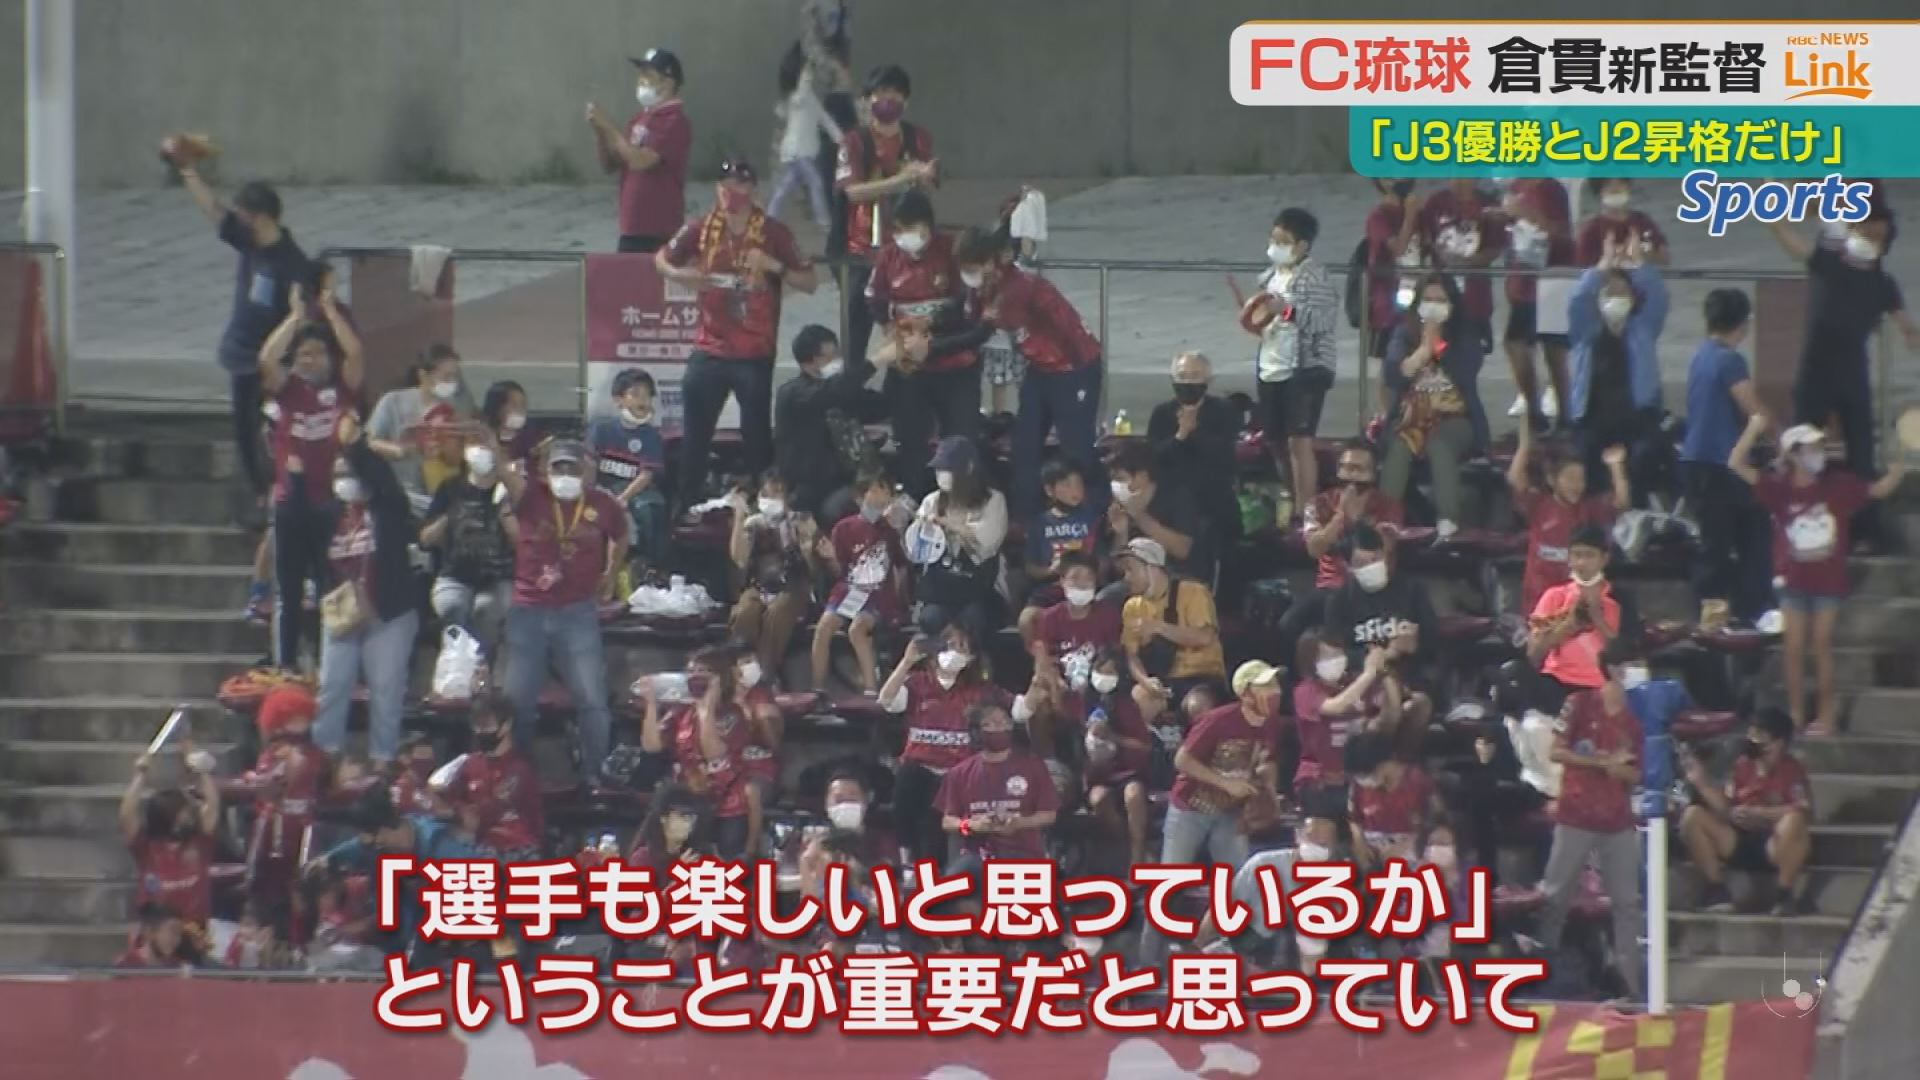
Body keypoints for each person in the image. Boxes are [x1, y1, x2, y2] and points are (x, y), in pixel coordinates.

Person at [658, 157, 818, 511]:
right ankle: (687, 504)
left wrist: (773, 265)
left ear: (753, 190)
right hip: (710, 347)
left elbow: (810, 281)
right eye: (726, 185)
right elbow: (662, 258)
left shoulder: (774, 233)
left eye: (741, 185)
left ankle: (765, 504)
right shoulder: (700, 228)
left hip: (753, 352)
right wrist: (681, 275)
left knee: (756, 435)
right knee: (695, 432)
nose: (733, 193)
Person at [1732, 418, 1905, 733]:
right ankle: (1796, 715)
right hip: (1792, 581)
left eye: (1820, 447)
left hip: (1828, 582)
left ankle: (1825, 717)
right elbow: (1736, 463)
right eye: (1811, 448)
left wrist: (1898, 465)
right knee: (1793, 648)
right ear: (1794, 454)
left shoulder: (1838, 485)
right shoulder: (1779, 488)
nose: (1818, 453)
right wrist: (1754, 428)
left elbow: (1879, 490)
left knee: (1822, 645)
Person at [1767, 201, 1919, 546]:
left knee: (1861, 456)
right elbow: (1796, 245)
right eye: (1864, 228)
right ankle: (1793, 523)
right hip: (1816, 372)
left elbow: (1907, 326)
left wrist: (1913, 336)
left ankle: (1865, 530)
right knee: (1802, 449)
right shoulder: (1830, 262)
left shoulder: (1883, 283)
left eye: (1876, 234)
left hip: (1851, 374)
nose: (1868, 236)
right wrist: (1775, 223)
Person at [168, 160, 310, 496]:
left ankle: (274, 489)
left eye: (245, 214)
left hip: (269, 360)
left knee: (269, 430)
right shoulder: (249, 242)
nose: (239, 220)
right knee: (243, 431)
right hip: (240, 354)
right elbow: (215, 212)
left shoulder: (292, 263)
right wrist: (188, 172)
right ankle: (257, 492)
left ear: (263, 218)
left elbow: (300, 316)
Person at [496, 437, 629, 787]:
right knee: (517, 704)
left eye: (573, 467)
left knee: (593, 701)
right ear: (547, 471)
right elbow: (503, 473)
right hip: (528, 611)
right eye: (559, 468)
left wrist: (611, 572)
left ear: (585, 471)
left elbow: (621, 534)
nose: (566, 474)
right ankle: (517, 777)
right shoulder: (531, 497)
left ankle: (595, 776)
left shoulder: (603, 503)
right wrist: (492, 444)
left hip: (577, 612)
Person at [954, 225, 1104, 518]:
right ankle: (1027, 521)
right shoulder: (983, 289)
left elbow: (982, 330)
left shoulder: (1021, 288)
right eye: (965, 268)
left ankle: (1090, 520)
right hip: (1040, 369)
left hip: (1074, 368)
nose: (968, 275)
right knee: (1024, 444)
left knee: (1077, 450)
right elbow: (971, 319)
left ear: (991, 262)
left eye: (973, 267)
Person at [256, 294, 366, 671]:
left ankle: (327, 665)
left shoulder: (342, 389)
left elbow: (356, 354)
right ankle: (286, 666)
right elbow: (266, 359)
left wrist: (331, 312)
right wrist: (295, 317)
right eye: (304, 354)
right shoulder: (287, 390)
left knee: (328, 587)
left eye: (318, 353)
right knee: (287, 592)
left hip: (329, 503)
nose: (310, 360)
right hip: (290, 502)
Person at [311, 413, 422, 767]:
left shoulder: (388, 506)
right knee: (332, 686)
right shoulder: (325, 514)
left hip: (389, 611)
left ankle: (382, 762)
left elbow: (381, 476)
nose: (346, 480)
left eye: (351, 473)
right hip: (341, 612)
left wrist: (356, 445)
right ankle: (324, 763)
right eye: (339, 474)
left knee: (386, 692)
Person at [1536, 648, 1645, 1000]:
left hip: (1618, 821)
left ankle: (1630, 988)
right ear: (1613, 668)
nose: (1638, 672)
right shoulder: (1580, 704)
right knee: (1555, 897)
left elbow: (1638, 774)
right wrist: (1601, 763)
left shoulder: (1636, 717)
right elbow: (1556, 751)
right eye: (1633, 664)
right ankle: (1541, 976)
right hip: (1576, 816)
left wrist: (1620, 770)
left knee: (1627, 905)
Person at [866, 191, 990, 493]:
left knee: (960, 440)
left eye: (911, 228)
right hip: (910, 368)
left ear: (928, 226)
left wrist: (932, 332)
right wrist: (889, 328)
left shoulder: (952, 252)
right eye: (898, 229)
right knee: (910, 441)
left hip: (956, 367)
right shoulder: (888, 257)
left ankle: (964, 500)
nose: (904, 236)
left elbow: (969, 309)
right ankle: (916, 499)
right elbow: (874, 298)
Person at [1681, 288, 1775, 630]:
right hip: (1719, 464)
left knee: (1723, 539)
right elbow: (1752, 407)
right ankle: (1740, 612)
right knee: (1734, 540)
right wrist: (1781, 439)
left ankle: (1727, 612)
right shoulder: (1729, 360)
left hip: (1698, 461)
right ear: (1742, 323)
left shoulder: (1701, 355)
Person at [880, 624, 1010, 866]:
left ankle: (933, 872)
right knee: (906, 786)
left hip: (955, 771)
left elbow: (1020, 709)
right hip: (918, 766)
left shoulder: (980, 691)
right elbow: (887, 701)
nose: (954, 651)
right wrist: (906, 662)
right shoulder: (917, 683)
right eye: (949, 645)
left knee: (935, 823)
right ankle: (907, 859)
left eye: (962, 647)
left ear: (971, 658)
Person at [835, 63, 937, 369]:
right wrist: (899, 180)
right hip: (863, 251)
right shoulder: (854, 141)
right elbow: (851, 192)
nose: (887, 100)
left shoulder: (918, 138)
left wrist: (925, 176)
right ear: (868, 99)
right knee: (856, 332)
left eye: (894, 94)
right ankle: (850, 388)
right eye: (880, 93)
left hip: (907, 248)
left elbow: (927, 187)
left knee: (911, 326)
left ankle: (906, 385)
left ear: (906, 100)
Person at [1242, 208, 1339, 511]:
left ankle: (1305, 510)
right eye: (1273, 239)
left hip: (1305, 368)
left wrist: (1283, 310)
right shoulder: (1270, 276)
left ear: (1302, 245)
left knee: (1299, 440)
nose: (1275, 246)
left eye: (1283, 241)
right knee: (1275, 440)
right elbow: (1263, 317)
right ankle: (1291, 498)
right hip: (1271, 365)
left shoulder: (1314, 276)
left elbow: (1322, 320)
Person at [1381, 272, 1487, 537]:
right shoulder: (1403, 333)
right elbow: (1392, 374)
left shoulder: (1466, 334)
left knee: (1439, 444)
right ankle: (1385, 522)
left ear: (1452, 305)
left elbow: (1466, 371)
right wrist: (1422, 353)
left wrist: (1437, 345)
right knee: (1400, 445)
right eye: (1428, 299)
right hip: (1412, 415)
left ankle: (1448, 522)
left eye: (1440, 300)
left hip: (1455, 417)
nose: (1433, 306)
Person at [1682, 708, 1815, 915]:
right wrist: (1703, 784)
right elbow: (1726, 807)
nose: (1753, 740)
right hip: (1739, 840)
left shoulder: (1792, 769)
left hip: (1775, 844)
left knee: (1795, 820)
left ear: (1778, 742)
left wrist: (1762, 813)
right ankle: (1717, 890)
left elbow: (1803, 809)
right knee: (1692, 816)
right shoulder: (1742, 766)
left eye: (1760, 735)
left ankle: (1784, 894)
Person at [1279, 441, 1404, 656]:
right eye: (1346, 468)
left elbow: (1381, 554)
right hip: (1328, 587)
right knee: (1288, 623)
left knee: (1339, 616)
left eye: (1359, 469)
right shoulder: (1318, 504)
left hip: (1370, 589)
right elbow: (1314, 549)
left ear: (1374, 473)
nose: (1352, 475)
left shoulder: (1389, 507)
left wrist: (1356, 522)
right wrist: (1340, 516)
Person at [1567, 235, 1670, 495]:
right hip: (1593, 419)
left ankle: (1638, 505)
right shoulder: (1586, 333)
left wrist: (1639, 265)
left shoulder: (1643, 329)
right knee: (1583, 455)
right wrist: (1601, 267)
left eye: (1622, 293)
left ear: (1633, 299)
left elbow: (1659, 297)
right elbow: (1578, 300)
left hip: (1637, 417)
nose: (1616, 298)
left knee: (1645, 455)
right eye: (1610, 293)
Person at [222, 686, 332, 922]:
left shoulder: (314, 754)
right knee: (268, 884)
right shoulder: (276, 753)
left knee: (303, 884)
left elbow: (323, 785)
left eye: (304, 717)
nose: (303, 722)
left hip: (304, 826)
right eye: (296, 717)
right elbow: (267, 784)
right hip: (275, 826)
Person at [1163, 661, 1285, 869]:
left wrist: (1270, 794)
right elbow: (1182, 760)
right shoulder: (1218, 720)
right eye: (1265, 686)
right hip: (1191, 806)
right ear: (1246, 694)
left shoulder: (1271, 723)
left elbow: (1266, 760)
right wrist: (1226, 784)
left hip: (1231, 811)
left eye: (1275, 684)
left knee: (1238, 874)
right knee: (1172, 874)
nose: (1275, 691)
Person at [641, 647, 756, 857]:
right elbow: (652, 745)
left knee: (725, 862)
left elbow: (714, 754)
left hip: (726, 801)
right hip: (688, 798)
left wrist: (706, 711)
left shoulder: (734, 714)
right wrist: (651, 705)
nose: (695, 676)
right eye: (691, 671)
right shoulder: (681, 711)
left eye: (703, 671)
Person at [1508, 421, 1630, 615]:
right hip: (1539, 603)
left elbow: (1621, 502)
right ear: (1552, 480)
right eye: (1570, 479)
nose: (1577, 485)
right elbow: (1515, 480)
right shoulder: (1538, 505)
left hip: (1576, 605)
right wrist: (1524, 446)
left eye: (1580, 479)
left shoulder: (1588, 510)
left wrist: (1616, 467)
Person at [1523, 524, 1636, 717]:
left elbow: (1622, 653)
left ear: (1604, 559)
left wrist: (1597, 618)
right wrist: (1569, 625)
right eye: (1576, 555)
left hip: (1601, 687)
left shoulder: (1618, 601)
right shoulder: (1554, 596)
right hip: (1556, 682)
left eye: (1590, 556)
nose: (1582, 562)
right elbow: (1533, 654)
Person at [810, 470, 908, 694]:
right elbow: (840, 571)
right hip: (849, 591)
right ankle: (817, 689)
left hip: (878, 595)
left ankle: (871, 691)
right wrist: (830, 558)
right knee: (823, 627)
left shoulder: (889, 531)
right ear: (860, 497)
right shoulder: (843, 528)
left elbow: (901, 564)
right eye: (875, 490)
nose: (880, 496)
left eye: (885, 491)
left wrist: (900, 599)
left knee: (857, 630)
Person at [774, 324, 885, 520]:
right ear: (810, 361)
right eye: (830, 357)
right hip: (806, 487)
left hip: (844, 480)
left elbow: (876, 405)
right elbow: (829, 394)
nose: (836, 362)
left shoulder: (841, 392)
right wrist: (877, 361)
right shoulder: (793, 393)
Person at [590, 48, 692, 254]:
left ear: (667, 83)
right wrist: (601, 132)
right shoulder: (639, 120)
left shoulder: (674, 121)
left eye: (648, 75)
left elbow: (640, 161)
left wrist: (609, 126)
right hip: (631, 227)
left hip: (658, 230)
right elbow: (610, 164)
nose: (641, 80)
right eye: (641, 74)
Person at [938, 702, 1061, 872]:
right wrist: (970, 825)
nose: (999, 727)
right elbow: (948, 820)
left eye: (1004, 722)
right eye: (990, 723)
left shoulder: (1033, 766)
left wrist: (1019, 823)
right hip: (975, 855)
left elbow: (1049, 814)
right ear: (976, 731)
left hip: (1023, 853)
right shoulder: (959, 772)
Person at [422, 437, 515, 653]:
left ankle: (479, 664)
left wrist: (506, 513)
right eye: (476, 444)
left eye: (487, 445)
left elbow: (520, 542)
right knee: (452, 606)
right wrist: (450, 515)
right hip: (455, 576)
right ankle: (458, 663)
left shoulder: (508, 491)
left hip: (498, 579)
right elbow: (425, 539)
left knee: (485, 610)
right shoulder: (450, 488)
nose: (482, 451)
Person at [910, 437, 1008, 638]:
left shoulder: (993, 500)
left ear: (969, 468)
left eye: (948, 469)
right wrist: (915, 529)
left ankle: (975, 656)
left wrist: (952, 525)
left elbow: (989, 539)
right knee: (930, 619)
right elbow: (915, 549)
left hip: (980, 589)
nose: (942, 475)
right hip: (941, 590)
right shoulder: (932, 501)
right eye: (938, 469)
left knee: (973, 618)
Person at [727, 471, 820, 681]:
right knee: (745, 611)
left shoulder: (802, 521)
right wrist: (738, 518)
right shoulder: (753, 523)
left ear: (787, 496)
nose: (771, 498)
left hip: (793, 587)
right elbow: (740, 559)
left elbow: (814, 569)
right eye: (766, 493)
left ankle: (765, 674)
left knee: (777, 613)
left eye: (777, 492)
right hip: (759, 586)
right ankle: (742, 668)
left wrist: (807, 549)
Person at [1118, 537, 1226, 714]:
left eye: (1130, 569)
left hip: (1202, 677)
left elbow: (1205, 637)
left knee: (1198, 704)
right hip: (1162, 681)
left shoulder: (1194, 592)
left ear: (1152, 568)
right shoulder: (1132, 607)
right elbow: (1131, 655)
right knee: (1138, 699)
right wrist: (1145, 680)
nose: (1126, 577)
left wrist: (1159, 627)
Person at [1501, 177, 1577, 430]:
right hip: (1523, 282)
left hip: (1552, 278)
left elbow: (1560, 232)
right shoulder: (1515, 188)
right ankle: (1534, 411)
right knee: (1516, 344)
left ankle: (1565, 416)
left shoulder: (1551, 189)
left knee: (1554, 349)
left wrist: (1526, 213)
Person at [119, 747, 220, 936]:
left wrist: (203, 773)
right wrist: (140, 775)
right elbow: (127, 814)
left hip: (194, 934)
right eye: (184, 812)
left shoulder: (199, 842)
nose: (190, 815)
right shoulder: (146, 847)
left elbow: (212, 805)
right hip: (155, 933)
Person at [1147, 351, 1242, 549]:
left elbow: (1224, 454)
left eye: (1195, 376)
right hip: (1172, 503)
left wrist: (1193, 431)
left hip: (1214, 501)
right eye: (1182, 376)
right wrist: (1180, 435)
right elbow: (1154, 458)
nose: (1188, 383)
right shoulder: (1162, 413)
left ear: (1208, 380)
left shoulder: (1224, 410)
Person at [438, 690, 545, 861]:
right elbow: (450, 798)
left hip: (518, 847)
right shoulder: (470, 763)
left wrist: (468, 816)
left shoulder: (520, 768)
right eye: (477, 726)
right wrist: (457, 809)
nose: (481, 732)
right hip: (481, 846)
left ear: (506, 725)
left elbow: (494, 808)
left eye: (487, 726)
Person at [367, 344, 476, 512]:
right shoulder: (393, 401)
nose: (452, 382)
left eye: (455, 376)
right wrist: (402, 450)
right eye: (446, 376)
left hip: (443, 496)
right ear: (423, 375)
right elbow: (370, 441)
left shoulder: (457, 409)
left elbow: (460, 457)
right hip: (402, 495)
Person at [586, 368, 668, 575]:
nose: (643, 400)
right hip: (604, 486)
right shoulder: (601, 430)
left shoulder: (651, 436)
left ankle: (649, 565)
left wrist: (623, 498)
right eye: (635, 394)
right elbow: (589, 464)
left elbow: (646, 475)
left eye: (647, 395)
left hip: (637, 490)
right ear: (619, 400)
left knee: (649, 510)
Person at [1077, 648, 1155, 864]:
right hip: (1097, 775)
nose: (1104, 676)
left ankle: (1138, 856)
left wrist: (1113, 736)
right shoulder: (1082, 702)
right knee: (1099, 800)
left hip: (1128, 772)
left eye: (1111, 672)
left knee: (1133, 795)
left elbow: (1143, 746)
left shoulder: (1127, 705)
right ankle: (1125, 844)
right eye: (1100, 670)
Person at [1323, 523, 1436, 672]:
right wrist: (1375, 656)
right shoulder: (1339, 602)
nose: (1371, 566)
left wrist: (1416, 645)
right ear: (1348, 566)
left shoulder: (1413, 590)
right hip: (1361, 677)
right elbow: (1334, 656)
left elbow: (1433, 645)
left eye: (1376, 559)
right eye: (1361, 563)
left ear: (1384, 554)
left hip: (1408, 675)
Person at [1415, 177, 1506, 353]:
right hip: (1440, 295)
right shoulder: (1436, 202)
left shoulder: (1488, 206)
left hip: (1475, 297)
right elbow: (1425, 239)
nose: (1458, 181)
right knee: (1437, 350)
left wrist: (1469, 262)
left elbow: (1496, 247)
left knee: (1470, 353)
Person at [1017, 459, 1104, 638]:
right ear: (1050, 490)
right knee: (1026, 620)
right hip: (1052, 588)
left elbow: (1104, 558)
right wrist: (1050, 570)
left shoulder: (1093, 517)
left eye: (1079, 484)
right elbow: (1031, 567)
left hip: (1088, 586)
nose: (1075, 490)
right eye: (1067, 485)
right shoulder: (1039, 523)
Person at [1362, 179, 1425, 415]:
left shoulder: (1423, 213)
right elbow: (1397, 248)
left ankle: (1415, 413)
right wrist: (1410, 216)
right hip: (1387, 303)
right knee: (1387, 362)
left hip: (1418, 296)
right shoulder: (1379, 217)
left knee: (1418, 357)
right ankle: (1385, 417)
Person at [1107, 439, 1209, 583]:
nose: (1116, 485)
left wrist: (1139, 516)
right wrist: (1121, 532)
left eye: (1121, 479)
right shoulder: (1118, 505)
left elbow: (1182, 550)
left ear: (1142, 476)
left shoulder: (1177, 497)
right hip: (1134, 581)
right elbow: (1118, 567)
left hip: (1175, 579)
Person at [768, 41, 844, 226]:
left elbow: (825, 120)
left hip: (804, 151)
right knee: (815, 182)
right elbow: (803, 91)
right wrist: (809, 67)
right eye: (805, 73)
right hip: (797, 151)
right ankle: (824, 221)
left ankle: (770, 215)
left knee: (787, 186)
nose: (809, 77)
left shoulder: (810, 99)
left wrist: (842, 138)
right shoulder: (796, 99)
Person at [1344, 729, 1440, 871]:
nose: (1363, 780)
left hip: (1410, 846)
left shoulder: (1419, 781)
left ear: (1384, 764)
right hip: (1371, 846)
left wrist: (1403, 847)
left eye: (1366, 774)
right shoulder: (1359, 786)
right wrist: (1359, 844)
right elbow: (1354, 819)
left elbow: (1434, 824)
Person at [1026, 552, 1122, 691]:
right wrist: (1056, 681)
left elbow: (1115, 654)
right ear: (1062, 581)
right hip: (1060, 686)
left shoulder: (1109, 615)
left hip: (1098, 686)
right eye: (1075, 577)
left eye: (1088, 578)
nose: (1082, 585)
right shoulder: (1049, 618)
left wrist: (1107, 668)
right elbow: (1043, 660)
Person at [1576, 178, 1669, 267]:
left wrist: (1643, 255)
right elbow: (1581, 271)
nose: (1615, 188)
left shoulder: (1643, 222)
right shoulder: (1590, 230)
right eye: (1608, 184)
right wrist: (1609, 261)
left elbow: (1664, 259)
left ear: (1628, 187)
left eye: (1621, 183)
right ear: (1599, 191)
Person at [119, 904, 203, 969]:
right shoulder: (126, 965)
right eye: (172, 931)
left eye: (179, 933)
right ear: (150, 932)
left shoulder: (176, 967)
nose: (177, 940)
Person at [482, 381, 537, 470]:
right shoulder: (481, 437)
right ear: (498, 407)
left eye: (523, 405)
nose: (520, 410)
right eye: (514, 405)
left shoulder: (531, 441)